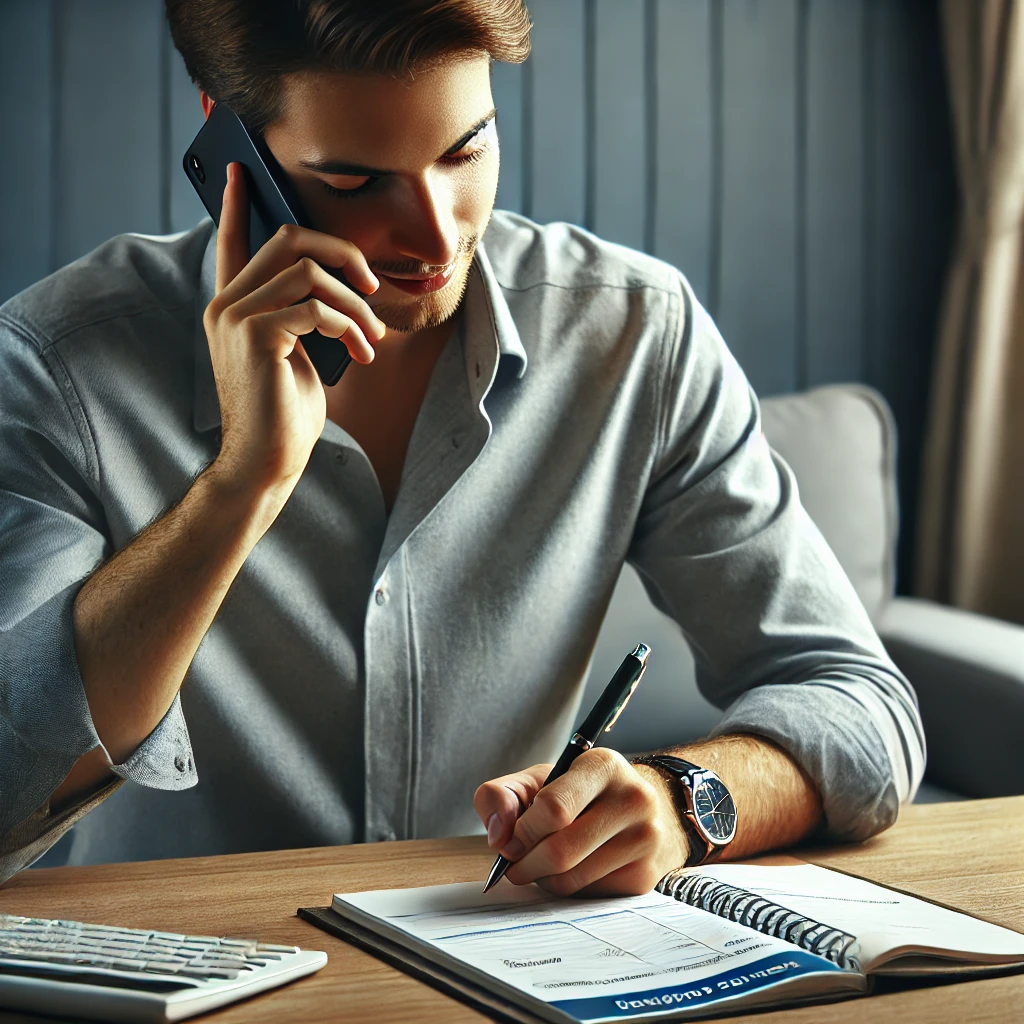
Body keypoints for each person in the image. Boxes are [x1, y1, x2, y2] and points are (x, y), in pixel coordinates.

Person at [0, 0, 923, 890]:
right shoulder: (57, 368)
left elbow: (861, 706)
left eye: (465, 149)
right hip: (191, 977)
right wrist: (244, 483)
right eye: (356, 180)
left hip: (507, 963)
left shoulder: (635, 336)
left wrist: (686, 799)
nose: (437, 235)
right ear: (228, 136)